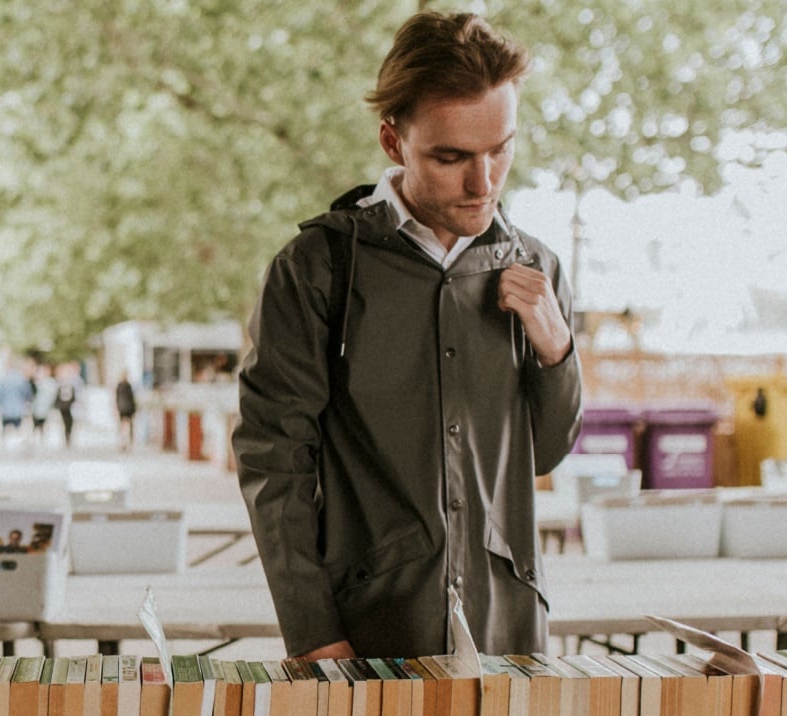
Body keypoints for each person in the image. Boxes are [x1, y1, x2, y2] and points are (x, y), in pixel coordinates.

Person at [233, 12, 582, 662]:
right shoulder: (317, 269)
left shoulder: (539, 270)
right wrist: (312, 633)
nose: (484, 183)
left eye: (500, 149)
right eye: (451, 158)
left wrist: (556, 352)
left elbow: (547, 453)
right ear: (394, 142)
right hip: (368, 629)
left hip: (509, 631)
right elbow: (272, 461)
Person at [0, 362, 33, 443]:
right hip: (18, 408)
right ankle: (19, 442)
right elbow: (27, 393)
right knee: (18, 427)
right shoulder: (21, 379)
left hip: (5, 409)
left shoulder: (1, 379)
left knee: (5, 427)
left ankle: (3, 443)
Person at [52, 364, 82, 448]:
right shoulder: (61, 384)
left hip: (70, 407)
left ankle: (69, 438)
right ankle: (67, 438)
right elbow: (57, 396)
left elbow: (75, 396)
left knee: (70, 423)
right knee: (66, 423)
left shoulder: (73, 383)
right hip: (64, 407)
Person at [29, 364, 58, 448]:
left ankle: (43, 440)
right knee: (34, 425)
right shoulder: (34, 383)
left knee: (44, 425)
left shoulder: (50, 383)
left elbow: (53, 396)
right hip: (36, 408)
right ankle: (35, 441)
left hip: (46, 409)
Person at [115, 377, 137, 451]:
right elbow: (132, 398)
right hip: (127, 408)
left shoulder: (119, 386)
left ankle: (123, 442)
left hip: (122, 408)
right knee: (127, 426)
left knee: (123, 426)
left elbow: (117, 398)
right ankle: (126, 442)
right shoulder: (128, 385)